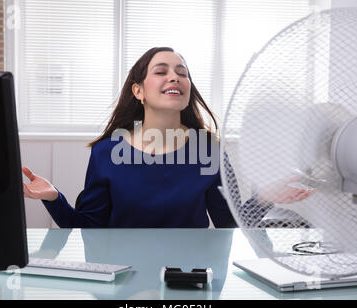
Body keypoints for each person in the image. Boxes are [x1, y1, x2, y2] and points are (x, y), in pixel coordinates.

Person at [22, 47, 311, 228]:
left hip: (190, 277)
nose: (174, 77)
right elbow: (88, 227)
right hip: (123, 276)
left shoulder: (209, 150)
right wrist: (53, 197)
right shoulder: (107, 152)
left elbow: (227, 224)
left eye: (182, 73)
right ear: (139, 91)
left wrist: (262, 198)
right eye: (161, 71)